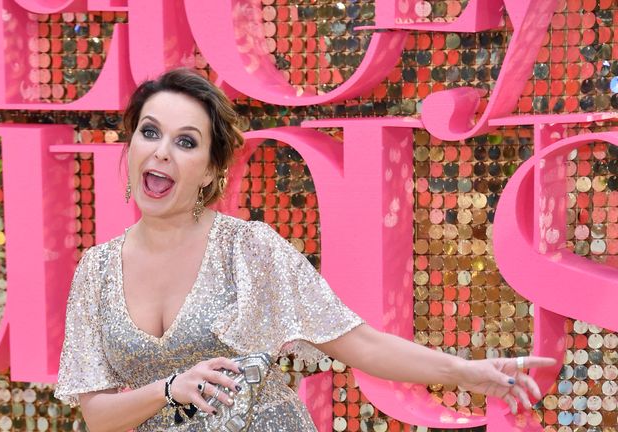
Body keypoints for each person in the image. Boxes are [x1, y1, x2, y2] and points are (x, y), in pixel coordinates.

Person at [54, 68, 556, 432]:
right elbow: (97, 415)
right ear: (131, 147)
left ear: (209, 171)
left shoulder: (247, 248)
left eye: (186, 142)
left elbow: (358, 343)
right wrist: (168, 389)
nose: (161, 150)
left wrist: (465, 373)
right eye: (149, 132)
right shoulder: (97, 271)